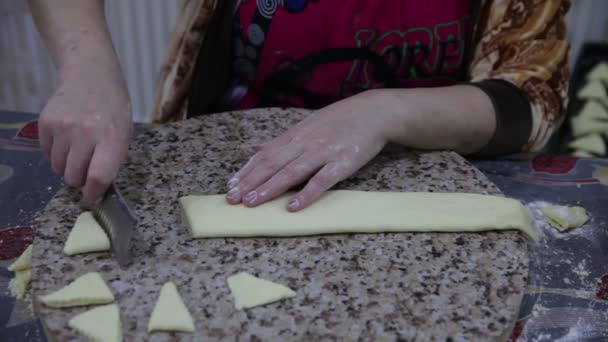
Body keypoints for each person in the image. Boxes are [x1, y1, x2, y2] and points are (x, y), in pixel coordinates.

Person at [29, 0, 570, 211]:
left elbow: (529, 96)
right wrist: (86, 67)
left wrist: (383, 112)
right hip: (230, 160)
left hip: (419, 163)